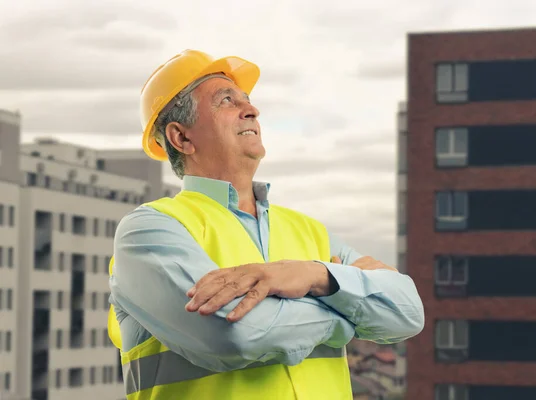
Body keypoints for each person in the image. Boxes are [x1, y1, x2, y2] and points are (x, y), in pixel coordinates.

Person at [107, 49, 424, 400]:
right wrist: (349, 310)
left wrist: (314, 275)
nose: (252, 110)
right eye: (226, 100)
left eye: (248, 100)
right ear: (181, 138)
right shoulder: (151, 231)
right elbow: (236, 336)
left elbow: (407, 312)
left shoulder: (309, 230)